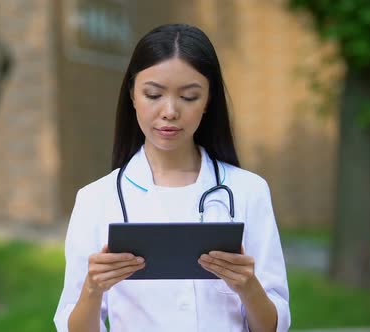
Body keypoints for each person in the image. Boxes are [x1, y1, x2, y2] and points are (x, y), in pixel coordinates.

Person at [54, 24, 290, 332]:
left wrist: (248, 287)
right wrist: (93, 289)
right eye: (153, 94)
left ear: (208, 101)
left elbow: (272, 326)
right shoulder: (96, 199)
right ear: (132, 95)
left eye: (189, 97)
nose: (169, 111)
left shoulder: (248, 191)